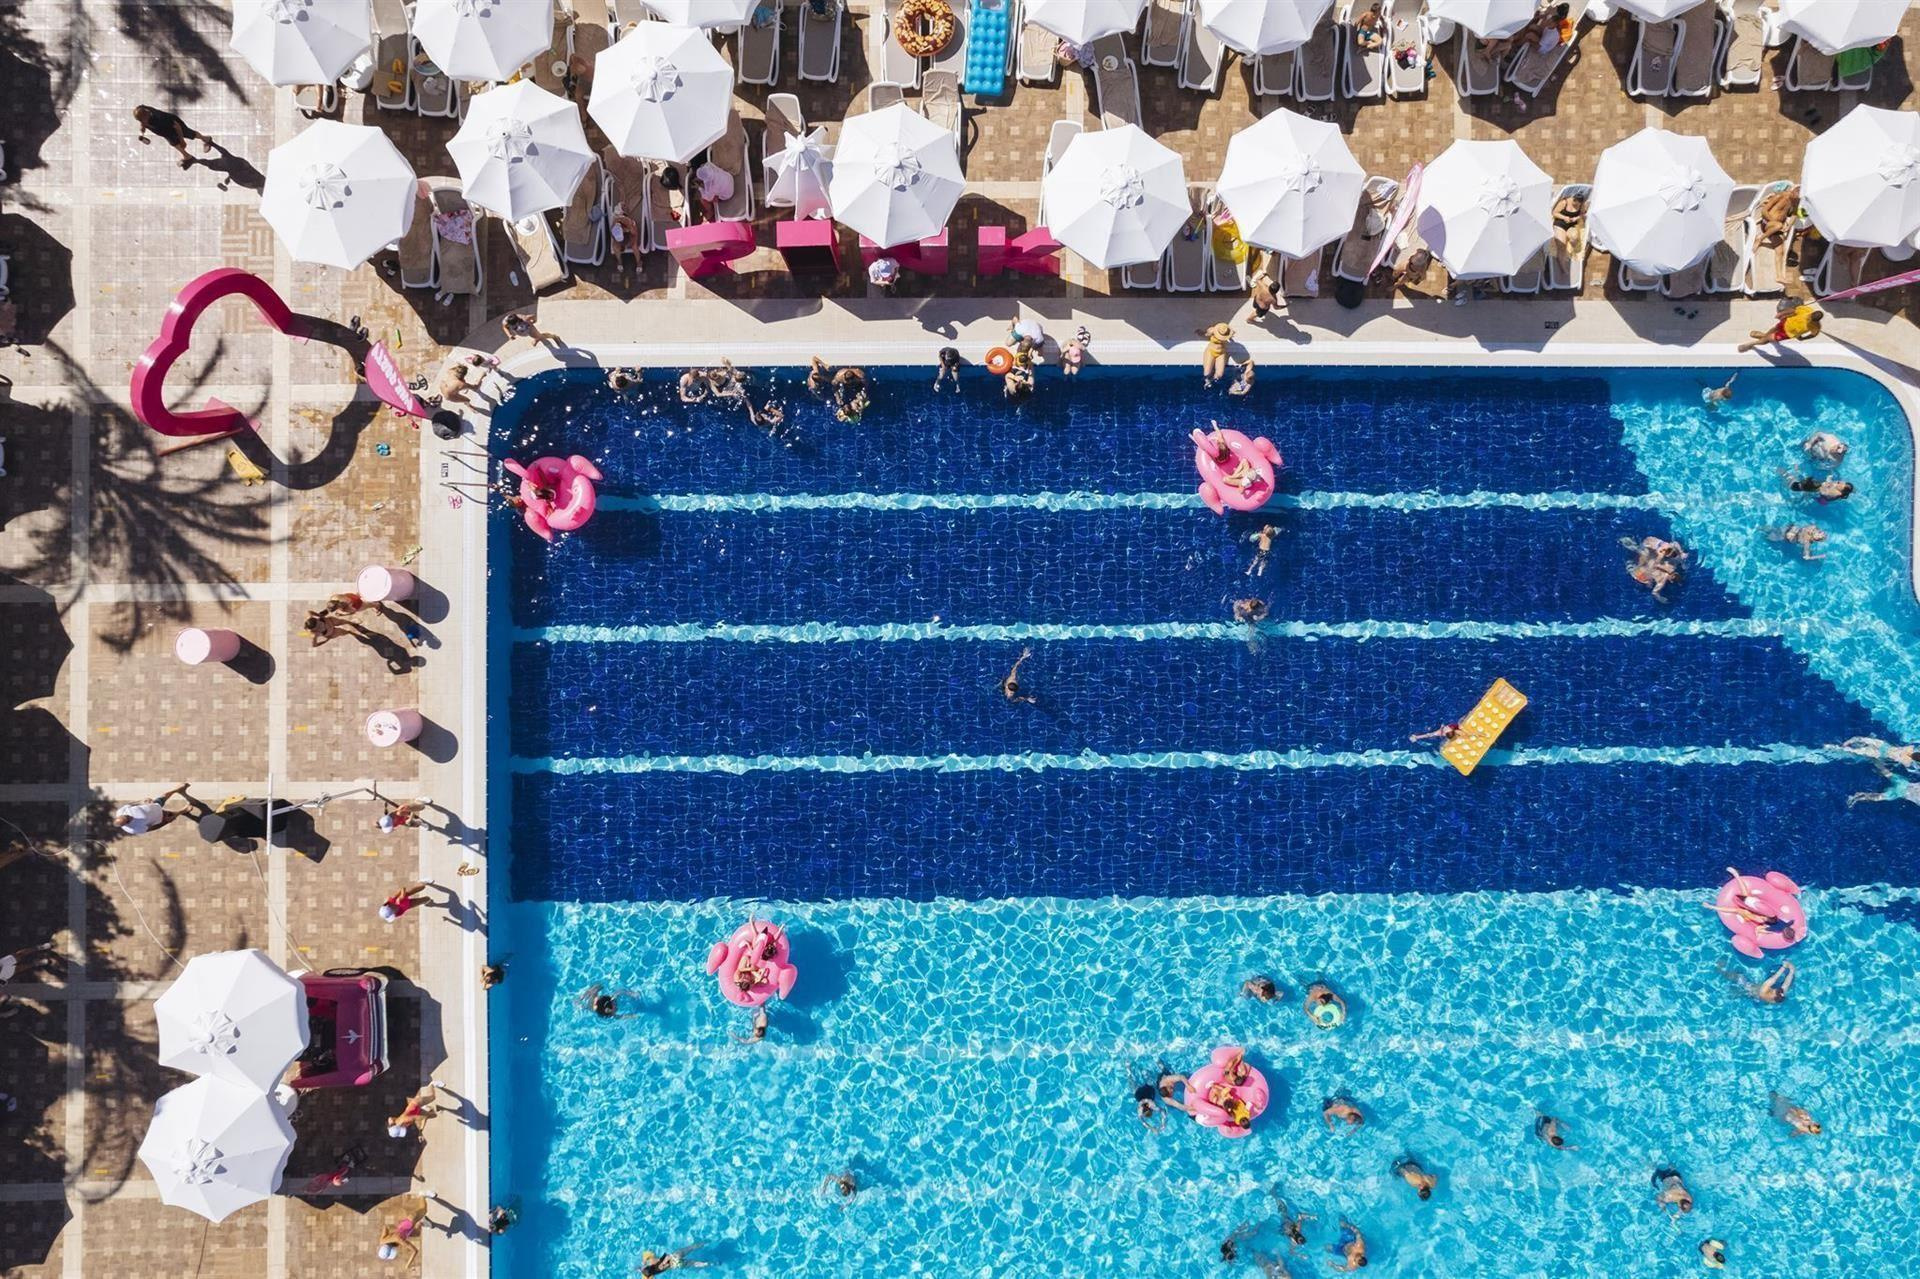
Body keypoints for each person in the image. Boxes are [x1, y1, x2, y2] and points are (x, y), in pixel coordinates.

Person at [133, 104, 215, 168]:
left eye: (142, 120)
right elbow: (142, 112)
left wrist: (182, 140)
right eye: (140, 120)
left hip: (174, 126)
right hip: (165, 132)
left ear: (147, 115)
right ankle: (187, 157)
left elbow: (177, 127)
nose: (141, 122)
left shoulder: (159, 118)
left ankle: (206, 139)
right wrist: (142, 131)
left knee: (190, 133)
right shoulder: (143, 116)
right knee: (173, 143)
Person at [112, 783, 202, 835]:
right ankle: (184, 810)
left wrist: (141, 801)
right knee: (173, 815)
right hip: (160, 817)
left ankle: (177, 789)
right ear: (126, 823)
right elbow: (152, 828)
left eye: (126, 816)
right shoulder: (133, 829)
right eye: (128, 819)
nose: (129, 816)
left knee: (164, 795)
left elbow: (130, 804)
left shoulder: (121, 811)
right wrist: (165, 822)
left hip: (153, 805)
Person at [1738, 301, 1822, 353]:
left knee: (1767, 339)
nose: (1808, 319)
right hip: (1784, 323)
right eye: (1809, 317)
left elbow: (1814, 334)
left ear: (1816, 321)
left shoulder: (1816, 326)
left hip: (1787, 334)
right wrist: (1781, 314)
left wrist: (1803, 338)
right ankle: (1764, 336)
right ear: (1811, 314)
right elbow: (1793, 310)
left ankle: (1749, 344)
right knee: (1770, 332)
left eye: (1810, 320)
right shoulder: (1807, 310)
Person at [376, 1193, 435, 1265]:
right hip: (406, 1225)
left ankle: (423, 1195)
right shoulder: (382, 1240)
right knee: (417, 1233)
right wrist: (397, 1230)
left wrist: (407, 1265)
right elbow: (386, 1226)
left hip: (411, 1221)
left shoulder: (400, 1240)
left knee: (424, 1210)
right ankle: (423, 1222)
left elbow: (415, 1251)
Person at [1846, 760, 1920, 809]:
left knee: (1885, 771)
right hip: (1897, 793)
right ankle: (1856, 797)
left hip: (1903, 783)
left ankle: (1872, 758)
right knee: (1879, 797)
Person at [1719, 958, 1794, 1004]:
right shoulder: (1777, 998)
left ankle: (1720, 970)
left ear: (1773, 996)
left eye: (1776, 991)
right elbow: (1786, 984)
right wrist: (1792, 970)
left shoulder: (1763, 992)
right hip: (1757, 997)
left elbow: (1773, 978)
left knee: (1739, 977)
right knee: (1746, 993)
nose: (1776, 989)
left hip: (1749, 988)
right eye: (1779, 990)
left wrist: (1784, 967)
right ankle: (1736, 993)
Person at [609, 202, 642, 283]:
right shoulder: (614, 227)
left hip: (631, 230)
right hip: (621, 231)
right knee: (615, 247)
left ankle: (639, 262)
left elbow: (634, 234)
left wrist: (628, 232)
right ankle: (619, 261)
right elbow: (613, 237)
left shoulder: (628, 223)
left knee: (634, 246)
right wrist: (619, 243)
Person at [1782, 470, 1853, 503]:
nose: (1838, 482)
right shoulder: (1838, 492)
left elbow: (1824, 492)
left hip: (1797, 487)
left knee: (1786, 474)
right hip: (1819, 496)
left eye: (1839, 483)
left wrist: (1828, 481)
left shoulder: (1836, 493)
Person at [637, 1243, 711, 1275]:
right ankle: (704, 1243)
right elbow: (666, 1257)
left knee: (693, 1264)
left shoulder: (655, 1272)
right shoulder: (652, 1261)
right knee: (690, 1248)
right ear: (649, 1266)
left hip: (676, 1265)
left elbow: (647, 1272)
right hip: (674, 1257)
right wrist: (645, 1261)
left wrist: (641, 1270)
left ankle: (706, 1264)